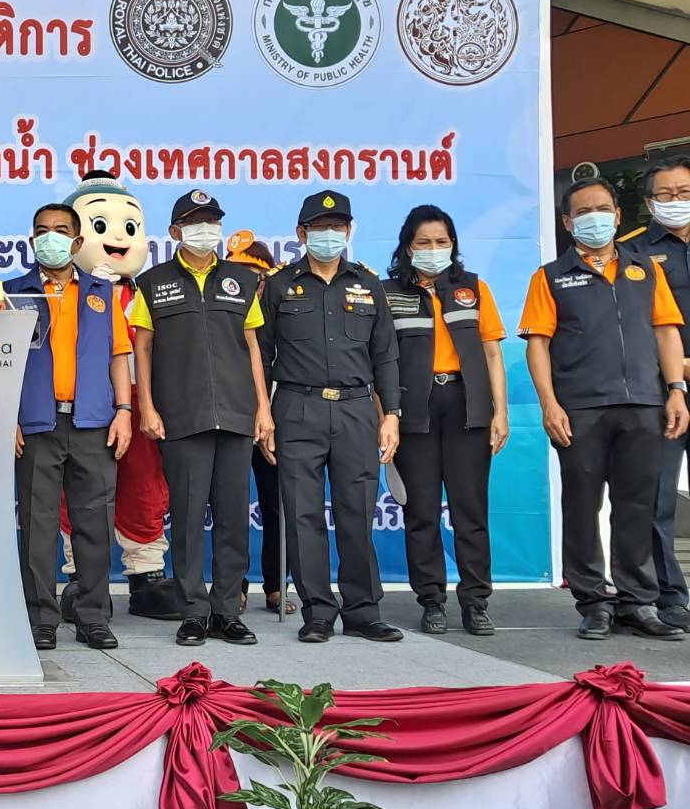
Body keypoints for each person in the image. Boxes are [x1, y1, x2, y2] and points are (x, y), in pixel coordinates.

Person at [519, 176, 688, 640]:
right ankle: (593, 602)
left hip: (644, 404)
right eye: (583, 212)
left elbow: (666, 331)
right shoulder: (550, 276)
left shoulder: (645, 269)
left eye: (602, 209)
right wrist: (549, 404)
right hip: (580, 409)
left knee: (637, 506)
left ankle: (638, 602)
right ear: (567, 222)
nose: (594, 218)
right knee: (581, 505)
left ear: (617, 215)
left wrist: (675, 390)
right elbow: (538, 344)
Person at [257, 190, 404, 644]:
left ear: (349, 231)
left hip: (357, 409)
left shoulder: (368, 284)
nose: (329, 235)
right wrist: (264, 415)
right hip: (296, 407)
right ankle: (318, 611)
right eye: (320, 228)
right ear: (301, 234)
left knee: (356, 512)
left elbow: (385, 355)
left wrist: (391, 414)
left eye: (337, 227)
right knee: (302, 515)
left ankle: (363, 611)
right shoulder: (279, 286)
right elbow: (260, 356)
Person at [132, 191, 272, 647]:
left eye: (212, 221)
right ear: (175, 231)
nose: (205, 229)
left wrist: (263, 408)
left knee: (233, 519)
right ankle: (193, 611)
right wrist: (147, 406)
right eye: (195, 222)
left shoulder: (241, 280)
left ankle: (227, 611)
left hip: (236, 413)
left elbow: (252, 347)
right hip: (181, 415)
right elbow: (142, 348)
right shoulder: (152, 283)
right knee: (188, 519)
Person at [5, 203, 133, 651]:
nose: (51, 238)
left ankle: (93, 616)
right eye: (42, 231)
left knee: (94, 523)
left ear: (77, 242)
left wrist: (124, 410)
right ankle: (41, 618)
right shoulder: (12, 293)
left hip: (93, 422)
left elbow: (119, 355)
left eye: (60, 230)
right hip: (36, 424)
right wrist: (6, 417)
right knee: (37, 526)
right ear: (31, 240)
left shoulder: (102, 292)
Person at [382, 206, 508, 637]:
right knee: (420, 513)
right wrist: (386, 414)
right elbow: (381, 359)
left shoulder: (473, 287)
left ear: (453, 244)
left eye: (442, 241)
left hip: (467, 407)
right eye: (424, 242)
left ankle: (476, 602)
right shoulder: (388, 293)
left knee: (470, 511)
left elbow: (492, 353)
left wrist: (500, 412)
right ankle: (431, 600)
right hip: (413, 410)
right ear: (407, 247)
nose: (434, 249)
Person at [60, 172, 179, 622]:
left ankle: (146, 574)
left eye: (130, 227)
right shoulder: (62, 292)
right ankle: (81, 577)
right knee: (79, 489)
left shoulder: (151, 294)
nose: (118, 237)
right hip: (81, 405)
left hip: (140, 402)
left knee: (145, 485)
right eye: (100, 225)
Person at [623, 155, 690, 634]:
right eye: (665, 195)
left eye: (683, 193)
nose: (675, 202)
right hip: (665, 391)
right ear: (648, 203)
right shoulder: (633, 253)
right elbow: (627, 323)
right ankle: (670, 598)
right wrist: (677, 373)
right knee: (656, 499)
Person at [225, 232, 295, 614]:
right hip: (231, 419)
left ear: (265, 279)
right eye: (235, 273)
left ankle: (275, 586)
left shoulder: (283, 311)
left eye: (252, 275)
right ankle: (233, 586)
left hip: (274, 421)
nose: (244, 281)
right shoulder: (219, 309)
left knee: (276, 506)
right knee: (232, 507)